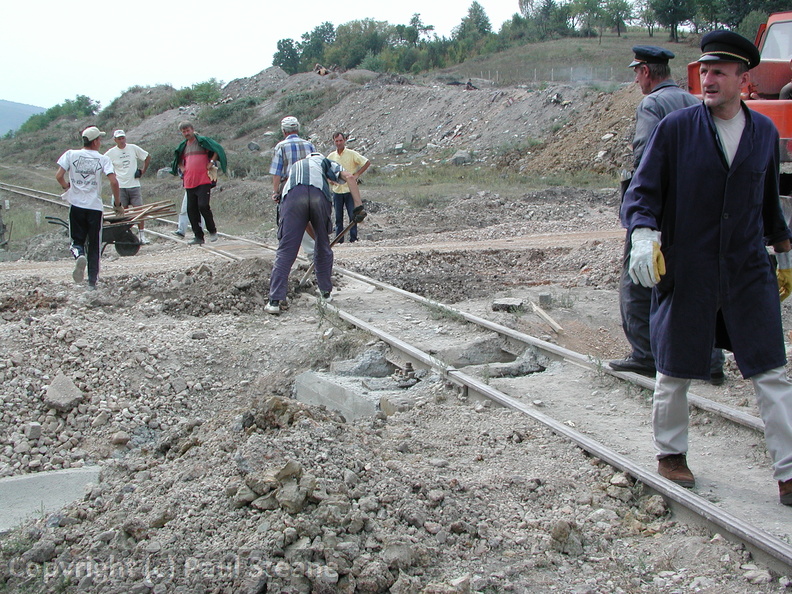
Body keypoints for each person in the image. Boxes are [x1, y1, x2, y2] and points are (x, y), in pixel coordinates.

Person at [621, 31, 792, 505]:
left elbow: (768, 204)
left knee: (771, 371)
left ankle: (789, 472)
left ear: (744, 78)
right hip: (690, 268)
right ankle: (671, 453)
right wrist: (642, 235)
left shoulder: (763, 135)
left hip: (746, 270)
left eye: (720, 71)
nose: (709, 79)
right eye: (706, 71)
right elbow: (643, 193)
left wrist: (784, 254)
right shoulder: (676, 130)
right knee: (673, 370)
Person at [610, 46, 726, 384]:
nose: (635, 80)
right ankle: (710, 360)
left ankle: (646, 355)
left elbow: (646, 161)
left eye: (636, 73)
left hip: (659, 211)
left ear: (646, 71)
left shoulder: (653, 104)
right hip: (698, 210)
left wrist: (642, 212)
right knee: (696, 285)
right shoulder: (695, 102)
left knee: (638, 281)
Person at [265, 153, 366, 315]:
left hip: (293, 196)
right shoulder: (325, 162)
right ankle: (325, 293)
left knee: (286, 250)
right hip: (319, 196)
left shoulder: (295, 167)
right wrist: (358, 207)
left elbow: (302, 220)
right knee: (323, 247)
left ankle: (275, 301)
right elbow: (350, 177)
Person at [55, 126, 122, 290]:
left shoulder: (70, 154)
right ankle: (92, 282)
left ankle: (79, 255)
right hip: (94, 207)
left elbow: (58, 176)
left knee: (76, 241)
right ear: (96, 142)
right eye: (99, 139)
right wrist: (117, 205)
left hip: (76, 205)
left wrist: (67, 187)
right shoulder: (102, 159)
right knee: (95, 245)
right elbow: (113, 182)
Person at [170, 121, 226, 245]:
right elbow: (177, 158)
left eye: (187, 130)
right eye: (183, 131)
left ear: (192, 129)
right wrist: (181, 167)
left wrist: (211, 162)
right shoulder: (183, 146)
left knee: (203, 206)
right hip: (189, 181)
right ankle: (198, 236)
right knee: (191, 210)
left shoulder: (202, 142)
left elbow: (217, 149)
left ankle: (212, 231)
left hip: (203, 180)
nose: (186, 133)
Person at [269, 116, 317, 259]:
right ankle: (313, 252)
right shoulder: (309, 145)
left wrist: (275, 192)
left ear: (284, 131)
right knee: (309, 218)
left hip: (290, 186)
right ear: (298, 129)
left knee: (288, 219)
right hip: (310, 184)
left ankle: (287, 253)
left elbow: (277, 172)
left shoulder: (281, 147)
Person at [104, 130, 151, 244]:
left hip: (134, 185)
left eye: (123, 138)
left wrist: (143, 170)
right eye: (119, 139)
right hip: (120, 186)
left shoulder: (133, 148)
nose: (121, 140)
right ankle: (124, 235)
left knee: (139, 211)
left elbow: (147, 156)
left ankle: (142, 235)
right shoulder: (111, 153)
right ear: (115, 140)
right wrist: (111, 175)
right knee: (122, 213)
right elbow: (102, 162)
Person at [327, 132, 370, 244]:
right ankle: (339, 240)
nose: (339, 143)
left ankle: (353, 239)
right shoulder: (331, 156)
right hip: (337, 191)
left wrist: (357, 174)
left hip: (350, 191)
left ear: (345, 140)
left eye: (340, 140)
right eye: (336, 141)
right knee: (338, 218)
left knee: (353, 215)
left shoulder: (352, 154)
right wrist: (330, 181)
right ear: (334, 142)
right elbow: (326, 170)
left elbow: (366, 162)